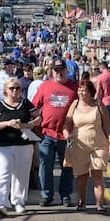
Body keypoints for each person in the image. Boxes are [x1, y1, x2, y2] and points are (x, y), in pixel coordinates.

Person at [64, 79, 110, 212]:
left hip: (99, 144)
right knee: (82, 176)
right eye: (79, 90)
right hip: (79, 145)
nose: (81, 92)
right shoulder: (74, 104)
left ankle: (100, 205)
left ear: (90, 92)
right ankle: (82, 202)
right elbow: (67, 123)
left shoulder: (98, 105)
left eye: (84, 90)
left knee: (97, 174)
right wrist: (65, 132)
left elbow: (107, 125)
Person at [31, 60, 77, 207]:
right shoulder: (45, 86)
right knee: (45, 166)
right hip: (47, 134)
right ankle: (46, 195)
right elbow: (33, 106)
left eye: (61, 69)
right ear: (51, 71)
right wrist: (35, 119)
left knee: (68, 166)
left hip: (68, 135)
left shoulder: (75, 87)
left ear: (66, 70)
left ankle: (65, 195)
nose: (58, 72)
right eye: (55, 70)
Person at [0, 78, 37, 217]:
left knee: (22, 174)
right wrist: (8, 123)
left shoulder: (26, 103)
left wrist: (33, 123)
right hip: (5, 144)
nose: (15, 91)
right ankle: (1, 203)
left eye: (18, 88)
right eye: (12, 88)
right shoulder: (0, 105)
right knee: (3, 173)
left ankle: (19, 201)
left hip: (25, 143)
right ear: (5, 90)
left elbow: (38, 116)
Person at [92, 60, 110, 135]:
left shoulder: (100, 77)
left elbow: (98, 91)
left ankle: (107, 139)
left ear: (102, 68)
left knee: (104, 122)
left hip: (104, 102)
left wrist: (94, 100)